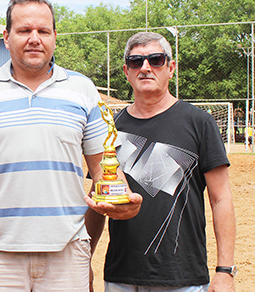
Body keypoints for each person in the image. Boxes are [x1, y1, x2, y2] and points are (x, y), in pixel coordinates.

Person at [0, 0, 142, 291]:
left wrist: (123, 197)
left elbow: (104, 166)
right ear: (6, 36)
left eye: (43, 31)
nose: (34, 39)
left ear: (54, 36)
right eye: (24, 30)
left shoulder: (82, 90)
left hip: (67, 250)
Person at [91, 32, 236, 292]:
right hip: (120, 276)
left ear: (171, 68)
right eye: (136, 61)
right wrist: (84, 261)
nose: (145, 67)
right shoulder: (109, 130)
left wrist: (225, 271)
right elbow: (97, 201)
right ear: (126, 71)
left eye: (155, 60)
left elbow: (221, 198)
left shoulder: (199, 123)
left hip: (182, 277)